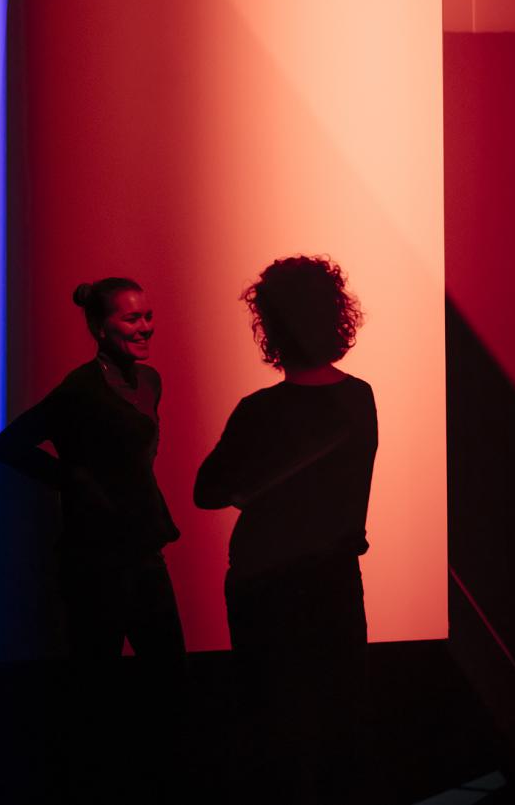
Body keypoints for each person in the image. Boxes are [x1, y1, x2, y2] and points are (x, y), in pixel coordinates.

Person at [194, 255, 377, 804]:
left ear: (269, 325)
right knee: (339, 717)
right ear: (335, 317)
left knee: (272, 721)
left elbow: (206, 492)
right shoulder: (360, 398)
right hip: (332, 580)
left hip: (264, 584)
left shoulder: (257, 411)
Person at [0, 276, 185, 659]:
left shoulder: (149, 381)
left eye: (147, 316)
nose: (145, 327)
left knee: (169, 672)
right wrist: (73, 479)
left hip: (144, 550)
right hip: (95, 559)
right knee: (98, 675)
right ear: (99, 328)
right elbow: (7, 445)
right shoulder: (80, 391)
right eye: (132, 318)